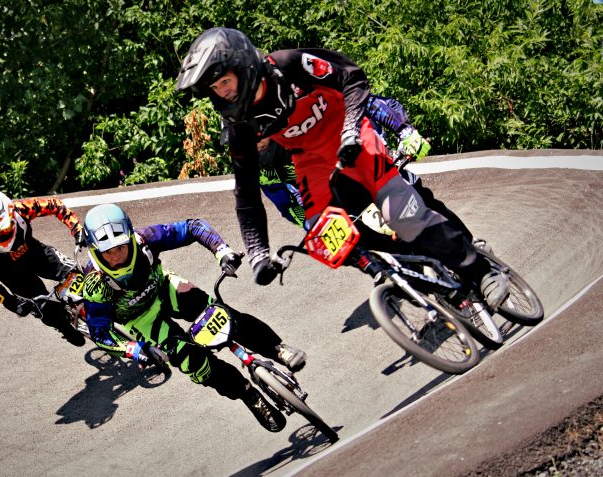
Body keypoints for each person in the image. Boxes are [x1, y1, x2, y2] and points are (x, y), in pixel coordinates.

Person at [175, 27, 508, 309]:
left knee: (402, 213)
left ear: (243, 65)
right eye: (215, 89)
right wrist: (258, 253)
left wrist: (352, 128)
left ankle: (481, 272)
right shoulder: (240, 126)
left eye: (225, 82)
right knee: (324, 239)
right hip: (311, 161)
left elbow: (352, 77)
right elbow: (246, 193)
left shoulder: (288, 65)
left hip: (351, 134)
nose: (223, 93)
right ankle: (399, 278)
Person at [80, 203, 306, 432]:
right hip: (141, 319)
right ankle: (248, 395)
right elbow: (100, 333)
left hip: (164, 288)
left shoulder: (145, 239)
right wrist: (134, 349)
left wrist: (222, 251)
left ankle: (278, 349)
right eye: (108, 252)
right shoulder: (95, 286)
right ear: (95, 252)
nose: (117, 257)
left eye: (121, 247)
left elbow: (192, 227)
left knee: (223, 316)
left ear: (130, 237)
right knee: (194, 362)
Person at [258, 95, 474, 241]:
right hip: (346, 203)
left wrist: (405, 131)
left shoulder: (306, 106)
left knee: (418, 200)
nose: (254, 147)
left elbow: (369, 102)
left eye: (257, 139)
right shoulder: (261, 170)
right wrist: (315, 227)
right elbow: (290, 207)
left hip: (372, 161)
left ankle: (472, 247)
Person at [0, 191, 86, 347]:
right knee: (46, 311)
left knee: (79, 275)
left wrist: (77, 229)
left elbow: (54, 205)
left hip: (37, 255)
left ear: (12, 215)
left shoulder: (21, 209)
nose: (3, 234)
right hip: (14, 276)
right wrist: (11, 303)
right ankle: (63, 327)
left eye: (5, 228)